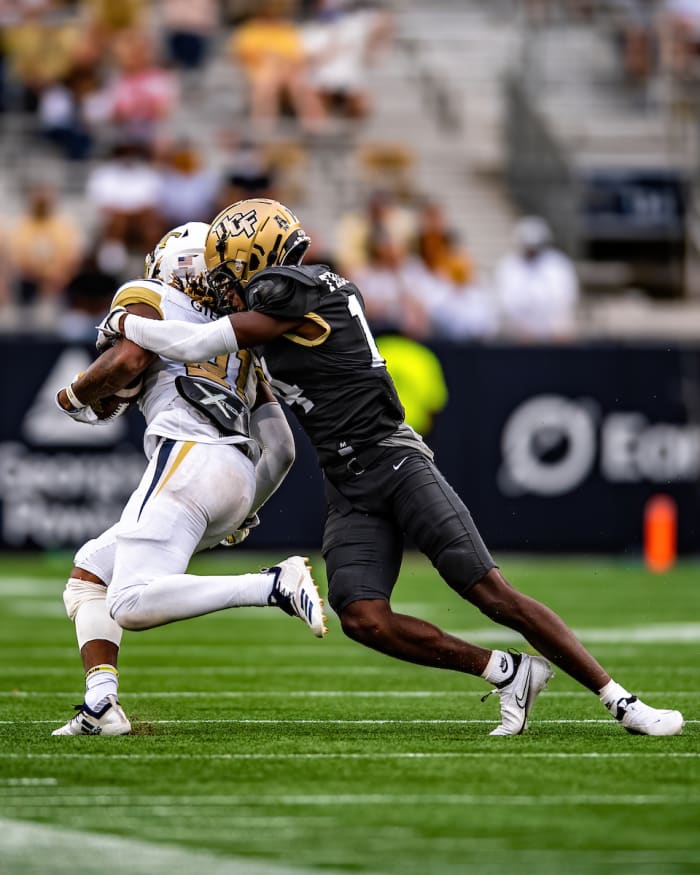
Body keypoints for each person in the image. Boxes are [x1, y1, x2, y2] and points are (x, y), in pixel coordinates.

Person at [98, 198, 684, 737]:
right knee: (362, 617)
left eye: (228, 272)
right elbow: (273, 429)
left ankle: (621, 701)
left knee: (489, 592)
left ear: (256, 260)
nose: (222, 285)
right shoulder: (280, 298)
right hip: (348, 483)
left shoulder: (290, 287)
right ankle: (508, 672)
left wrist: (126, 323)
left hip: (392, 460)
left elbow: (195, 345)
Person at [52, 221, 326, 736]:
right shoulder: (238, 334)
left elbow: (129, 357)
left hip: (186, 458)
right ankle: (101, 705)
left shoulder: (149, 294)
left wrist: (73, 395)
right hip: (238, 476)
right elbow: (284, 450)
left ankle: (270, 585)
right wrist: (240, 515)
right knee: (90, 573)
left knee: (129, 602)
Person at [495, 216, 579, 343]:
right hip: (519, 335)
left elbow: (566, 297)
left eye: (535, 247)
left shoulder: (558, 264)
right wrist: (520, 326)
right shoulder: (508, 266)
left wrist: (556, 326)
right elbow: (504, 301)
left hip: (554, 334)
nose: (532, 251)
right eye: (528, 246)